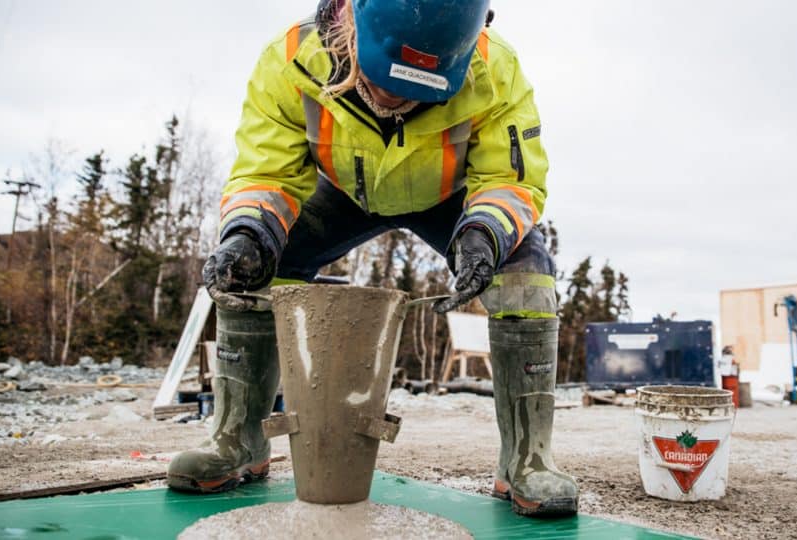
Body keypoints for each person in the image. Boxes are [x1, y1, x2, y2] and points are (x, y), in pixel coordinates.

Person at [167, 0, 578, 517]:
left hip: (448, 198)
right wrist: (249, 232)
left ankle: (527, 458)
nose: (400, 101)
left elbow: (509, 179)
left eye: (418, 92)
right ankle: (238, 439)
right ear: (349, 25)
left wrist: (486, 233)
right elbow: (266, 174)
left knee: (526, 273)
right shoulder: (291, 61)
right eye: (388, 83)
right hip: (342, 191)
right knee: (255, 264)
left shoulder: (497, 70)